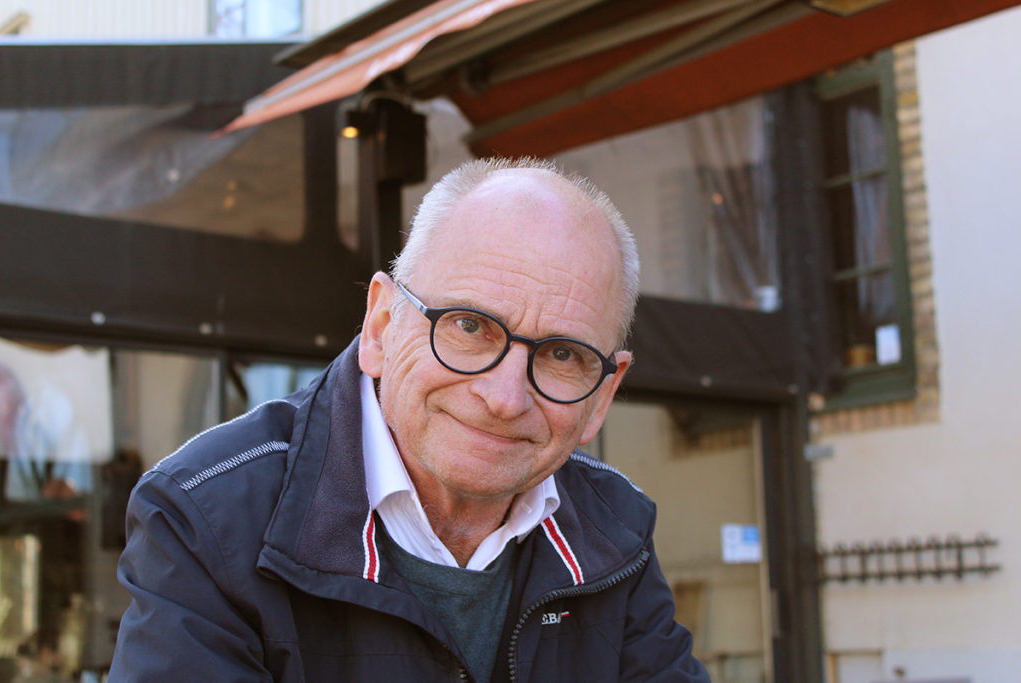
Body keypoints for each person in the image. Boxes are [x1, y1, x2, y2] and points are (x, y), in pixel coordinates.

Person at [109, 158, 710, 682]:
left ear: (603, 396)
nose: (505, 398)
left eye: (561, 355)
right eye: (469, 326)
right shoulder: (206, 519)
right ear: (380, 326)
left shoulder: (614, 529)